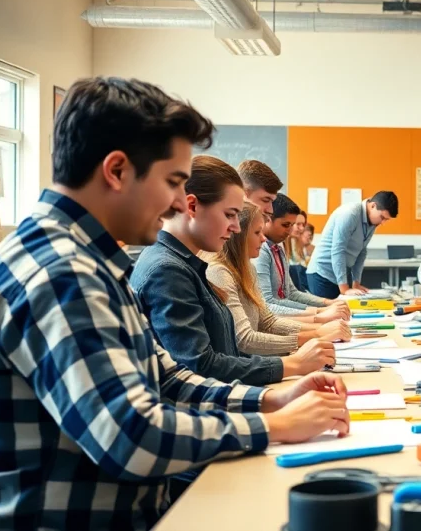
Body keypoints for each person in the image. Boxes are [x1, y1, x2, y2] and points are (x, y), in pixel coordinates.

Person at [0, 77, 349, 529]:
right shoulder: (62, 273)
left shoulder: (89, 260)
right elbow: (131, 434)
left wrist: (273, 400)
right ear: (116, 171)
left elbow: (169, 379)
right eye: (173, 182)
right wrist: (275, 426)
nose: (180, 201)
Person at [132, 156, 337, 386]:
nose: (237, 227)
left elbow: (228, 353)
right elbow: (201, 368)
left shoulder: (188, 263)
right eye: (229, 214)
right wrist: (292, 365)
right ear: (191, 206)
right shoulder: (168, 271)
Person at [207, 202, 352, 356]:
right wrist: (316, 332)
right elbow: (245, 339)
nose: (263, 239)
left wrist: (320, 329)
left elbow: (268, 322)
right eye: (257, 233)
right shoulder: (219, 272)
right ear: (238, 235)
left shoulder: (249, 268)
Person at [256, 193, 351, 319]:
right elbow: (268, 304)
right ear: (268, 220)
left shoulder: (279, 246)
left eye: (292, 225)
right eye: (285, 225)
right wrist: (319, 313)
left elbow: (292, 293)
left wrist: (327, 303)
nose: (290, 231)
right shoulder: (261, 250)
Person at [306, 191, 399, 299]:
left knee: (344, 313)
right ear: (373, 206)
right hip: (322, 275)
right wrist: (344, 289)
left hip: (339, 277)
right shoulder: (350, 214)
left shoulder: (372, 221)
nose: (382, 223)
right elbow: (338, 250)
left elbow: (362, 252)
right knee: (329, 314)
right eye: (382, 217)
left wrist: (356, 283)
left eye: (386, 220)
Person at [286, 211, 309, 290]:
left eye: (303, 225)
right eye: (298, 224)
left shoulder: (297, 243)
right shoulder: (279, 245)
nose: (302, 228)